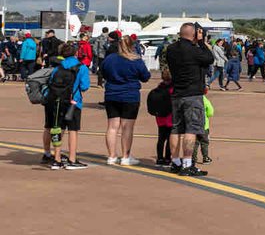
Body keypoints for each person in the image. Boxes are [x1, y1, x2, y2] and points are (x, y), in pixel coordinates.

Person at [161, 23, 214, 176]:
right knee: (192, 129)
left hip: (177, 93)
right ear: (193, 34)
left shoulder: (171, 49)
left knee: (176, 128)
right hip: (192, 94)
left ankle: (175, 161)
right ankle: (187, 163)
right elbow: (209, 59)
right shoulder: (194, 50)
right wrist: (201, 42)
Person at [100, 35, 151, 166]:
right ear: (132, 46)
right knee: (127, 127)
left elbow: (103, 73)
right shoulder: (136, 60)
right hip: (130, 95)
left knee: (112, 126)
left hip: (112, 94)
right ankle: (125, 156)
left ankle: (111, 156)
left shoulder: (109, 59)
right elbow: (145, 77)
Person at [43, 42, 91, 170]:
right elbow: (85, 86)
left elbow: (51, 81)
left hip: (58, 101)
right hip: (74, 102)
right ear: (76, 53)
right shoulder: (82, 67)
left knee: (58, 128)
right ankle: (72, 159)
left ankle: (57, 158)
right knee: (73, 130)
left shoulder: (58, 67)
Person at [147, 71, 174, 168]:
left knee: (161, 138)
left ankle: (159, 158)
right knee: (170, 138)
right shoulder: (172, 89)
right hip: (170, 117)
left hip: (160, 117)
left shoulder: (159, 88)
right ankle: (167, 158)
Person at [193, 94, 214, 165]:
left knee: (195, 143)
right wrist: (207, 115)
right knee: (204, 142)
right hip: (204, 125)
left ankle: (193, 158)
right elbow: (210, 112)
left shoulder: (191, 98)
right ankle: (205, 157)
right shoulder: (204, 99)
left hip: (193, 125)